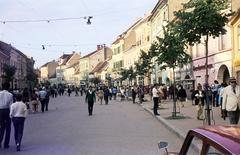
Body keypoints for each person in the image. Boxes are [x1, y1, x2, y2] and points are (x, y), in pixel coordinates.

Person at [0, 82, 13, 149]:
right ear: (8, 87)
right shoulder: (10, 95)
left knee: (1, 127)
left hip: (0, 111)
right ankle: (6, 144)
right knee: (8, 127)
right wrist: (11, 115)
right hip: (7, 111)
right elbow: (11, 106)